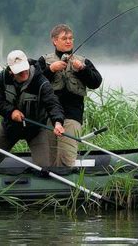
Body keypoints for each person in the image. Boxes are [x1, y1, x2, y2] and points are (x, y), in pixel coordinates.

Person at [0, 50, 65, 169]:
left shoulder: (41, 82)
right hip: (9, 128)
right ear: (11, 71)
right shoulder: (3, 78)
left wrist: (58, 122)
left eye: (25, 68)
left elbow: (53, 104)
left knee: (43, 168)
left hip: (36, 130)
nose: (24, 72)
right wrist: (11, 111)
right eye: (19, 71)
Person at [38, 24, 102, 167]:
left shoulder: (83, 61)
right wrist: (50, 69)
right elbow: (33, 83)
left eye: (71, 38)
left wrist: (82, 69)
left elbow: (96, 82)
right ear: (54, 41)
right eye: (64, 38)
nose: (69, 41)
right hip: (48, 117)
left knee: (66, 159)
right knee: (50, 160)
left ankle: (67, 186)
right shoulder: (44, 61)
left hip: (72, 116)